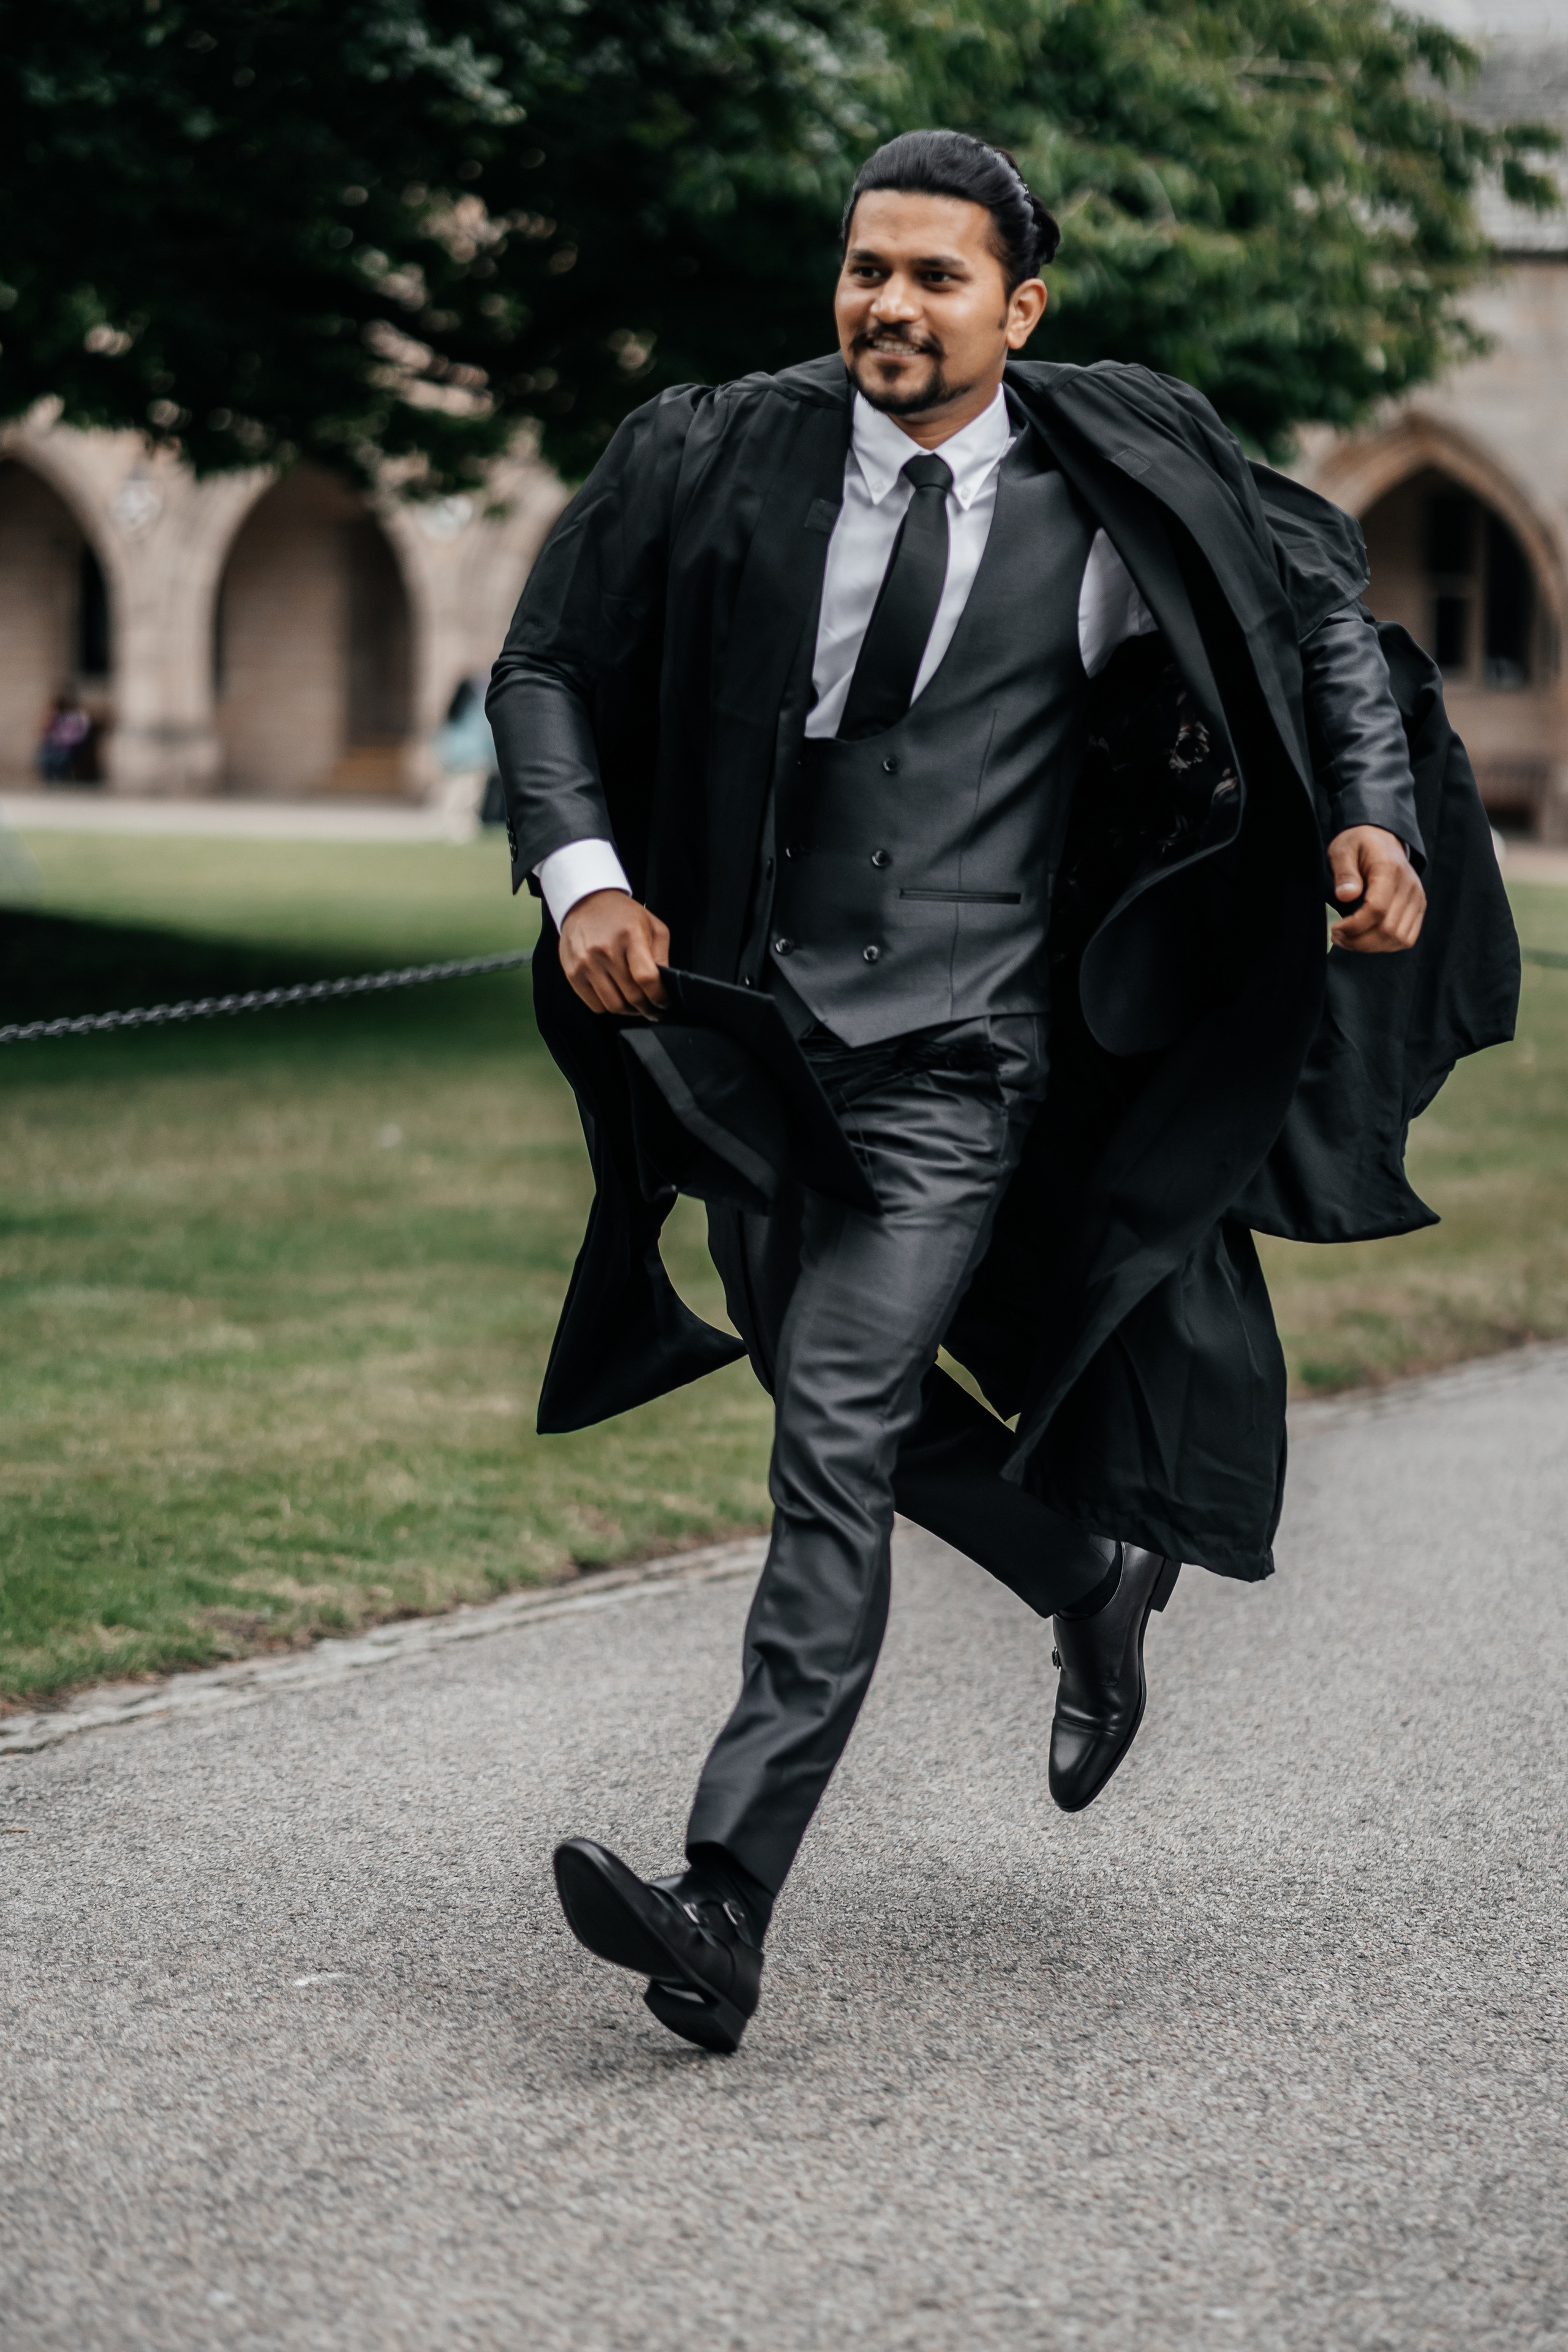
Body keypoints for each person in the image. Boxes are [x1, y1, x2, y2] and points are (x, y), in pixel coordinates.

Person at [488, 132, 1517, 2054]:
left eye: (933, 278)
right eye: (865, 268)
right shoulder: (712, 451)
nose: (887, 304)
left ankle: (723, 1895)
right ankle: (1086, 1569)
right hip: (750, 1046)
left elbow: (1320, 625)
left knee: (835, 1444)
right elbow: (544, 663)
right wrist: (587, 876)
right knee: (831, 1398)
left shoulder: (1128, 468)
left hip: (963, 1059)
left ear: (1018, 309)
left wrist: (1370, 815)